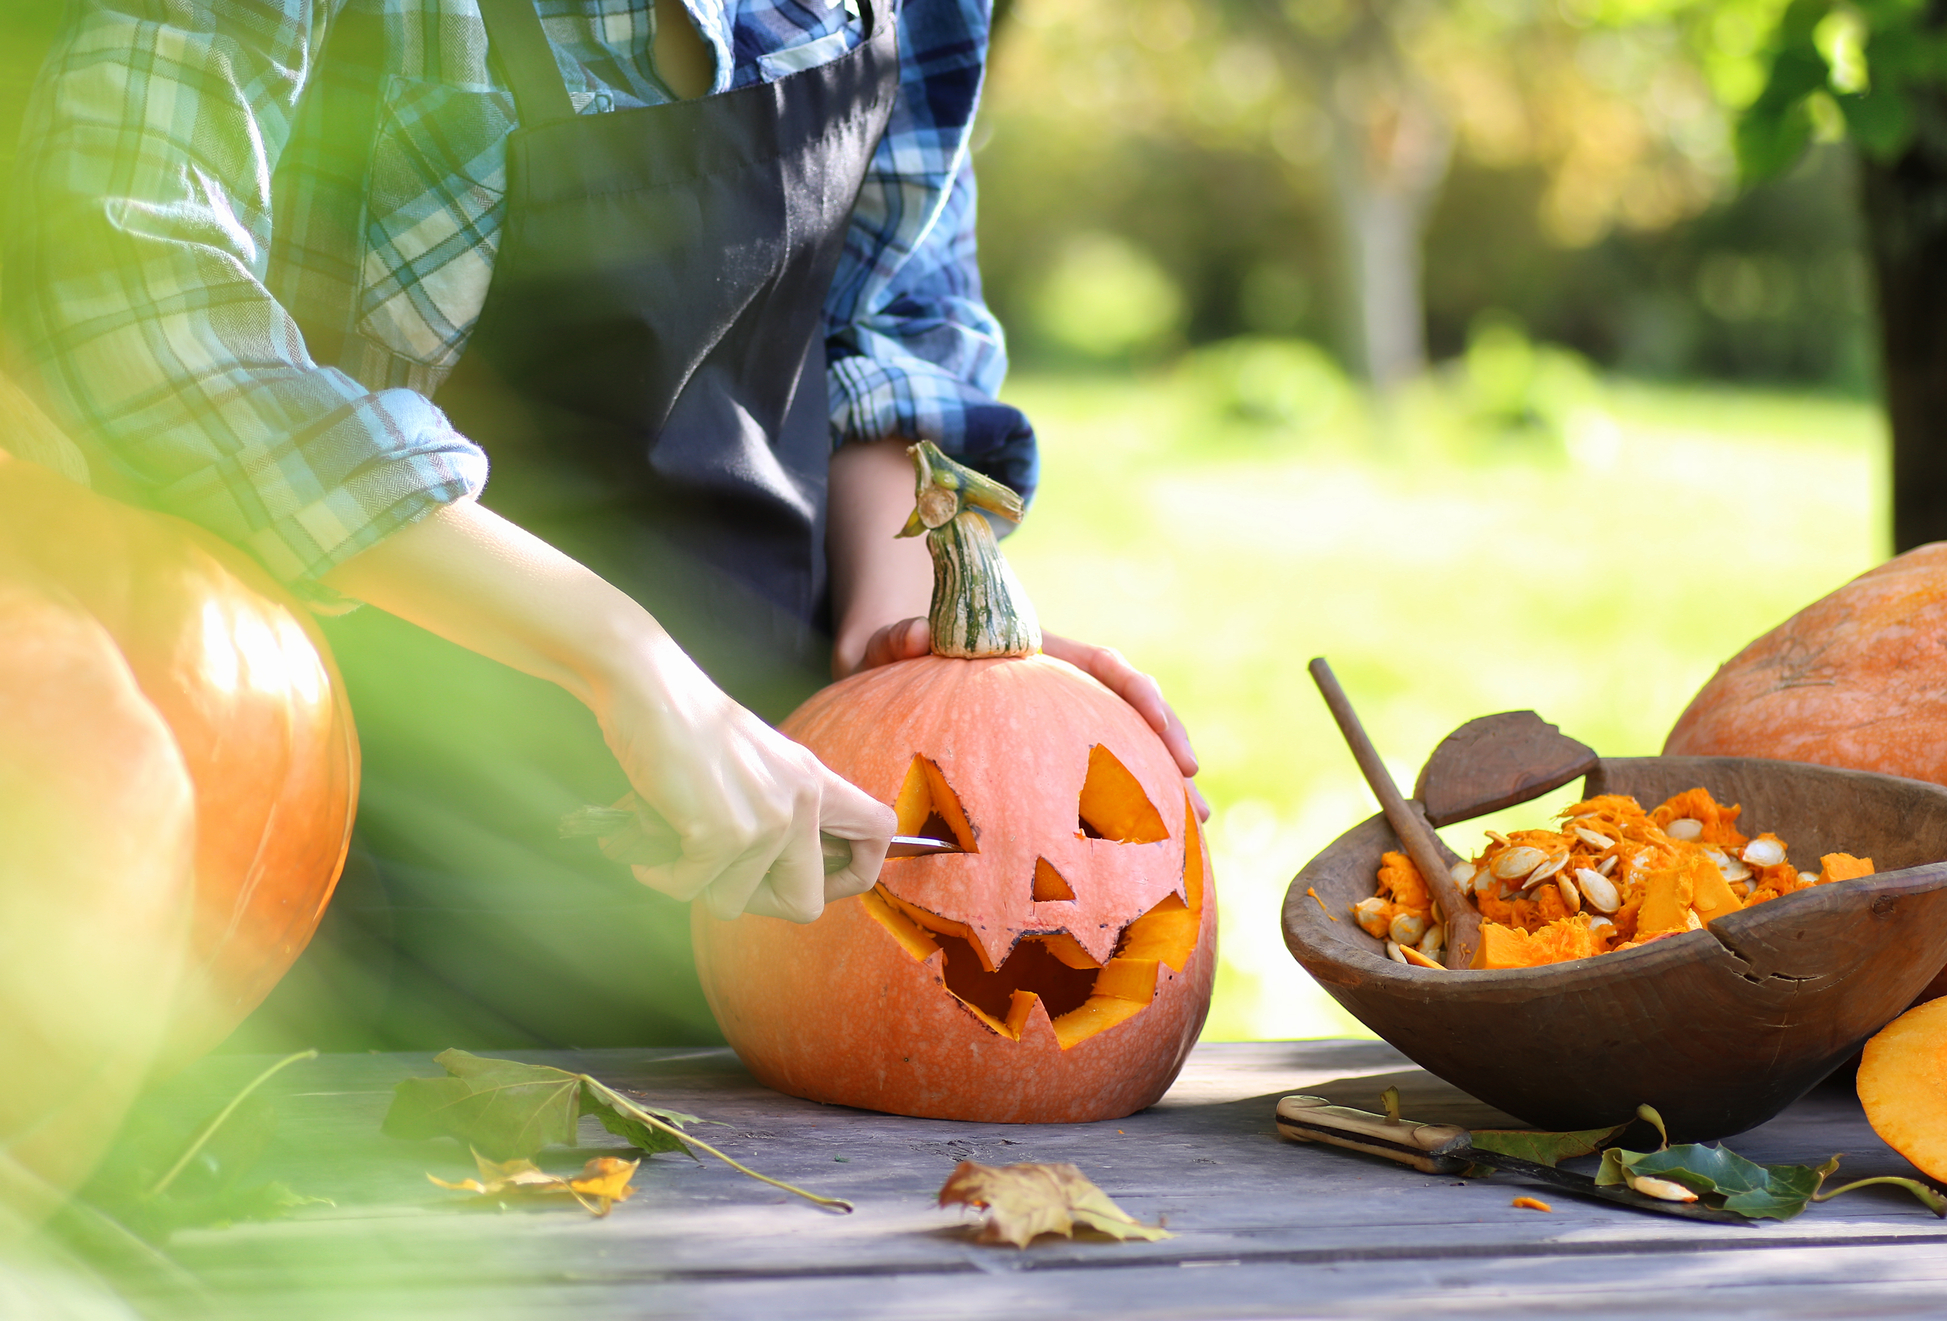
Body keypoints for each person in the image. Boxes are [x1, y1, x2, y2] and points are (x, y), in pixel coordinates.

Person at [3, 0, 1199, 1050]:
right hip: (339, 850)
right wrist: (621, 660)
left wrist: (905, 671)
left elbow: (895, 315)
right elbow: (135, 297)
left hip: (773, 861)